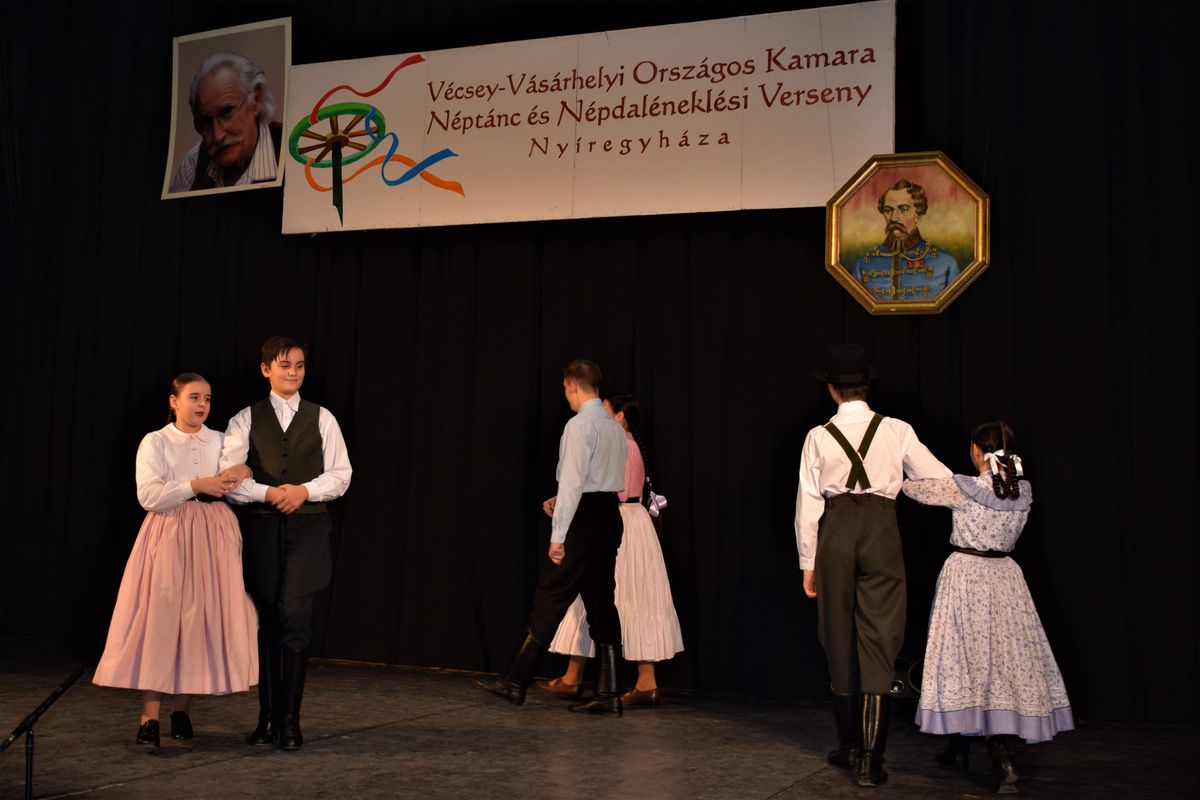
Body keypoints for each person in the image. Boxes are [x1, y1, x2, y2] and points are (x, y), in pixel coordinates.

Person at [794, 344, 952, 787]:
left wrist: (808, 560)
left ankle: (849, 747)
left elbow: (807, 504)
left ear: (832, 389)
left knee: (836, 632)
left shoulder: (819, 436)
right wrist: (902, 489)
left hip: (836, 532)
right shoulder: (896, 430)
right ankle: (870, 760)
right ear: (867, 387)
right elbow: (938, 478)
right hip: (882, 529)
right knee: (880, 636)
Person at [902, 422, 1074, 794]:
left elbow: (914, 489)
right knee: (999, 660)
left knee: (968, 659)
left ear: (977, 451)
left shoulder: (966, 488)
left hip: (967, 577)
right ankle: (961, 744)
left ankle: (999, 754)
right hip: (1006, 578)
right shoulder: (1021, 492)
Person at [93, 373, 258, 749]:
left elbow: (240, 486)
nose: (202, 405)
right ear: (174, 401)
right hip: (170, 531)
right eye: (194, 397)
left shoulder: (221, 440)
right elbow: (148, 495)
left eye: (208, 399)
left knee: (199, 619)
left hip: (213, 532)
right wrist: (194, 485)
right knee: (162, 618)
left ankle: (181, 709)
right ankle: (149, 716)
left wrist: (245, 470)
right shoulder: (156, 441)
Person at [219, 336, 352, 750]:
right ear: (266, 370)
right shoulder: (245, 419)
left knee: (295, 617)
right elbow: (229, 476)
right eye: (284, 365)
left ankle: (290, 722)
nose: (293, 372)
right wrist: (269, 493)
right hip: (262, 527)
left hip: (308, 529)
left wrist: (304, 491)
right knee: (268, 619)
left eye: (299, 366)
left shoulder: (322, 418)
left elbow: (341, 474)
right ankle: (268, 718)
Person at [474, 359, 627, 714]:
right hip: (608, 514)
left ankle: (515, 682)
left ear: (573, 386)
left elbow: (573, 481)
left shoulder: (579, 425)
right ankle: (610, 695)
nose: (566, 397)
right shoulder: (614, 427)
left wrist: (558, 534)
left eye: (565, 390)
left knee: (552, 594)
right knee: (601, 601)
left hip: (584, 520)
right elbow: (601, 481)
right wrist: (562, 501)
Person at [534, 394, 683, 707]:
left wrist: (567, 504)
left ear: (619, 417)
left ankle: (638, 681)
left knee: (617, 595)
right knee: (602, 595)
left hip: (621, 522)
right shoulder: (628, 444)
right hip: (630, 521)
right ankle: (577, 676)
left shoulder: (621, 445)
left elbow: (608, 491)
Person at [169, 51, 283, 192]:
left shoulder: (291, 152)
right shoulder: (193, 163)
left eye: (226, 112)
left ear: (256, 100)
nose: (218, 136)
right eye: (205, 122)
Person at [851, 179, 960, 302]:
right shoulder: (863, 264)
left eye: (903, 209)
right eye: (888, 210)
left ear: (918, 213)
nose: (894, 218)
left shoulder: (946, 263)